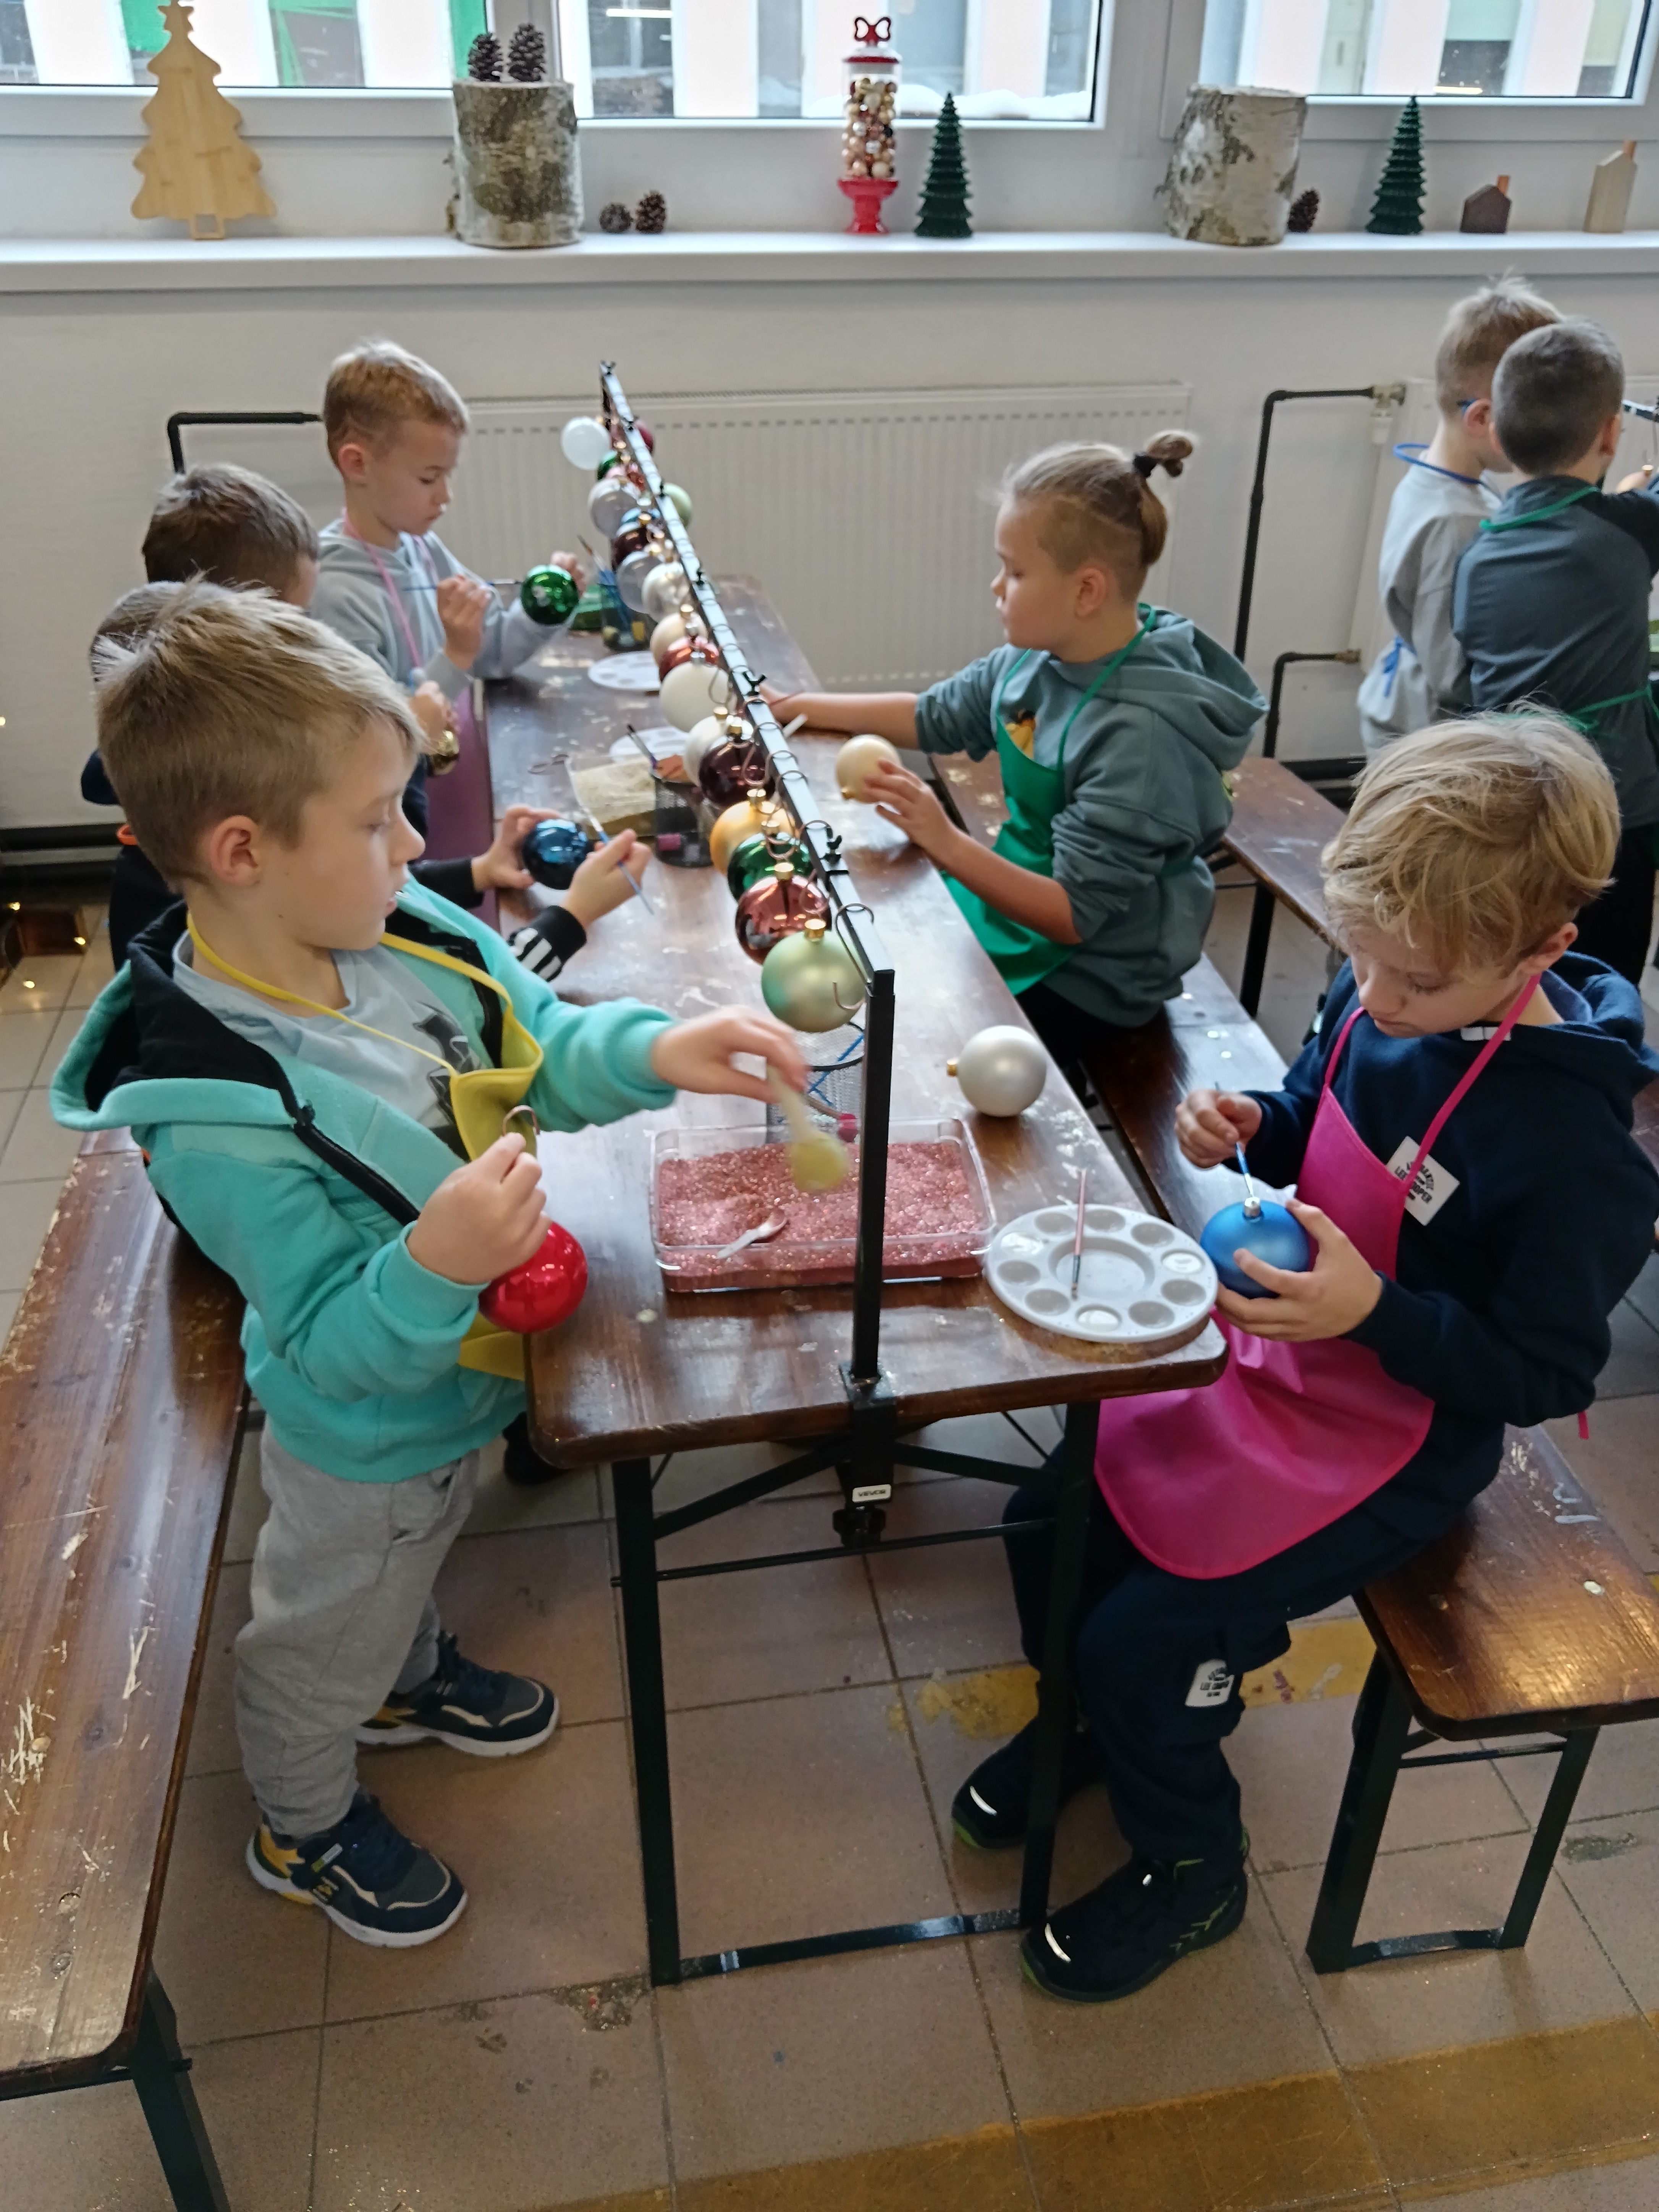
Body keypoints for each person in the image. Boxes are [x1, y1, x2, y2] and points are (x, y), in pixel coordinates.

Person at [52, 584, 807, 1948]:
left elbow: (535, 1044)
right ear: (242, 850)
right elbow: (327, 1339)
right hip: (365, 1438)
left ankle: (400, 1678)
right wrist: (434, 1262)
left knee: (415, 1557)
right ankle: (301, 1819)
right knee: (323, 1628)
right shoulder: (218, 1115)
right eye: (375, 819)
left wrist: (653, 1049)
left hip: (457, 1393)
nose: (415, 843)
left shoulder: (400, 931)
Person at [950, 716, 1659, 2005]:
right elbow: (1318, 1113)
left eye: (1416, 984)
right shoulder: (1389, 976)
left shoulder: (1575, 1155)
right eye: (1359, 958)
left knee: (1148, 1638)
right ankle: (1092, 1722)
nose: (1376, 999)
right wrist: (1253, 1125)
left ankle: (1194, 1863)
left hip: (1394, 1435)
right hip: (1272, 1351)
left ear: (1545, 949)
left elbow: (1545, 1375)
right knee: (1045, 1517)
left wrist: (1373, 1313)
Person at [768, 437, 1264, 1086]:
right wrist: (797, 707)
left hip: (1094, 972)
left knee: (917, 1042)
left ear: (1086, 590)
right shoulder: (1038, 658)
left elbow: (1073, 916)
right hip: (1018, 900)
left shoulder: (1138, 739)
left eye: (1015, 572)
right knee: (872, 945)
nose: (996, 586)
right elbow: (934, 716)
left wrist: (943, 840)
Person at [87, 472, 642, 978]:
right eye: (376, 822)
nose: (411, 841)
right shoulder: (254, 953)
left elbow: (361, 881)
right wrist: (570, 918)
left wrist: (477, 872)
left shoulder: (216, 855)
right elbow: (482, 1007)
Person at [309, 339, 583, 837]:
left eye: (447, 475)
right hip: (399, 817)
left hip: (458, 787)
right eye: (429, 478)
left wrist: (543, 610)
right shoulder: (335, 593)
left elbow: (492, 651)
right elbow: (377, 740)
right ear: (357, 464)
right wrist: (456, 655)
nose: (446, 496)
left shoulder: (424, 549)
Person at [1454, 319, 1659, 983]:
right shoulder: (1628, 529)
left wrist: (1621, 505)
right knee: (1600, 984)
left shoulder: (1478, 553)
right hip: (1607, 814)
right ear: (1610, 434)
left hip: (1508, 806)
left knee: (1516, 971)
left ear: (1497, 432)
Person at [1356, 276, 1559, 758]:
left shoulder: (1436, 481)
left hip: (1409, 705)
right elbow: (1453, 675)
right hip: (1431, 738)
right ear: (1483, 419)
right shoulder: (1458, 524)